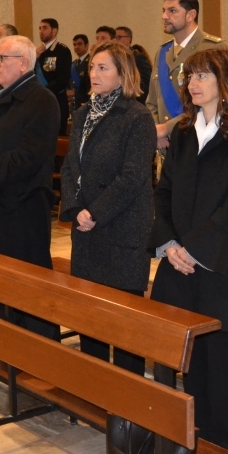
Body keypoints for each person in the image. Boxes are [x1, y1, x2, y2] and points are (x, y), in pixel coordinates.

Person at [149, 47, 228, 453]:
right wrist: (168, 244)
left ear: (225, 81)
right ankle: (189, 443)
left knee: (218, 366)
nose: (192, 83)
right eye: (189, 76)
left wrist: (192, 249)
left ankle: (222, 453)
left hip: (220, 264)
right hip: (177, 260)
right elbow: (163, 193)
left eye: (201, 76)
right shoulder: (182, 131)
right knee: (187, 362)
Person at [59, 42, 156, 375]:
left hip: (122, 227)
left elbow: (133, 176)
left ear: (122, 74)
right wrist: (75, 209)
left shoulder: (137, 117)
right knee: (91, 318)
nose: (95, 74)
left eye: (104, 68)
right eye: (92, 68)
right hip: (87, 229)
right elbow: (71, 166)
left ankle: (129, 399)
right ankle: (95, 385)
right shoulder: (83, 114)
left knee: (124, 324)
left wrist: (95, 213)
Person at [0, 35, 61, 340]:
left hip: (22, 208)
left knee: (28, 290)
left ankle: (41, 356)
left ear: (23, 63)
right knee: (0, 288)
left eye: (0, 59)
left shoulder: (42, 100)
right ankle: (11, 349)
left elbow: (28, 156)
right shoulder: (0, 97)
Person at [147, 0, 226, 150]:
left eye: (172, 11)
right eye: (163, 10)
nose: (164, 16)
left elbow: (220, 99)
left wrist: (166, 129)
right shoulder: (162, 52)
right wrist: (155, 130)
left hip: (199, 144)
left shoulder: (211, 49)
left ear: (191, 15)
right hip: (166, 148)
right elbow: (152, 102)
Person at [36, 18, 72, 136]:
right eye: (40, 28)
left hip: (56, 102)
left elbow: (62, 79)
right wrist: (34, 57)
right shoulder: (37, 52)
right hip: (38, 104)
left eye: (45, 28)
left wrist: (43, 92)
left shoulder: (62, 50)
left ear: (55, 31)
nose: (41, 31)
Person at [115, 25, 153, 104]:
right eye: (115, 37)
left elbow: (147, 82)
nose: (116, 40)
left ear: (129, 39)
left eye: (119, 37)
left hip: (135, 102)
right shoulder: (114, 58)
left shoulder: (137, 57)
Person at [68, 33, 90, 110]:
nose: (77, 47)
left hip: (86, 101)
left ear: (87, 45)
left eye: (80, 44)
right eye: (74, 45)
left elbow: (89, 85)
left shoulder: (91, 62)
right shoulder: (73, 64)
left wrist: (75, 93)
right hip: (75, 103)